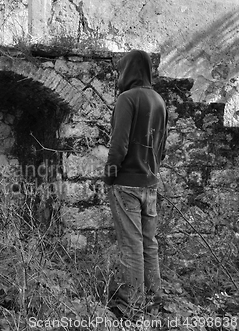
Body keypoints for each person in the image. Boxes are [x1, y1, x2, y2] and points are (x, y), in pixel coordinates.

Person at [104, 50, 168, 320]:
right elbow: (162, 149)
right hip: (150, 183)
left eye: (122, 70)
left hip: (127, 183)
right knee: (149, 244)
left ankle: (132, 309)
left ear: (129, 70)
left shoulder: (127, 99)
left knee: (131, 246)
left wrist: (109, 175)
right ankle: (155, 303)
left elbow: (119, 145)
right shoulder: (159, 101)